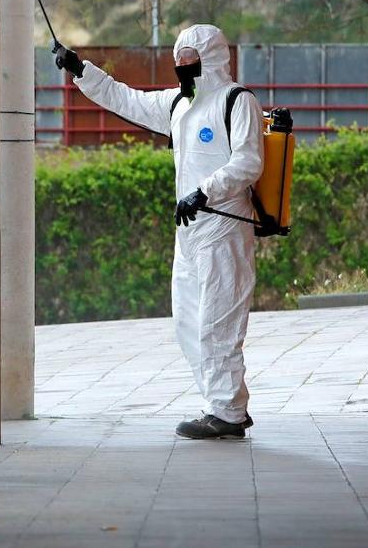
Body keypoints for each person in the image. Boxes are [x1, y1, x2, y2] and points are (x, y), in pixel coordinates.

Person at [55, 24, 264, 439]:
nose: (181, 67)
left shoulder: (237, 102)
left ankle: (228, 410)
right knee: (188, 322)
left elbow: (248, 162)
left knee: (218, 324)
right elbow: (125, 98)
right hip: (188, 234)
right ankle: (216, 404)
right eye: (179, 60)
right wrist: (81, 71)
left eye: (189, 59)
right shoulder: (178, 105)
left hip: (223, 229)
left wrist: (204, 193)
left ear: (212, 58)